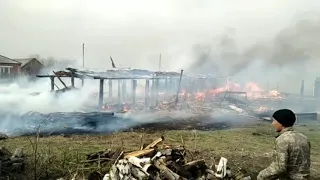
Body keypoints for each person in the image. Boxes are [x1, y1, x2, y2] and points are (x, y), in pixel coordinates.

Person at [257, 109, 311, 180]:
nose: (272, 123)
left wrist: (261, 176)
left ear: (281, 122)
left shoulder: (282, 139)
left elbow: (279, 168)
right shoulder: (304, 138)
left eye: (274, 121)